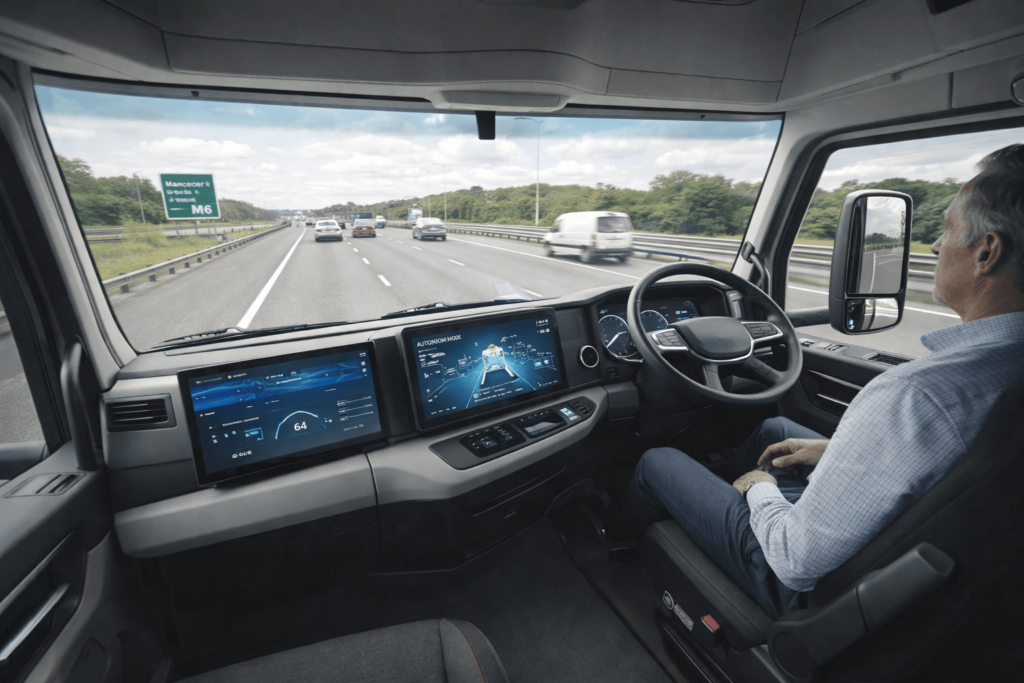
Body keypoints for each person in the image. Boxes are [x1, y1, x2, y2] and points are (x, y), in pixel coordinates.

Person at [626, 144, 1024, 619]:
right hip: (915, 552)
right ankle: (705, 512)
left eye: (946, 230)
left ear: (987, 251)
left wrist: (756, 488)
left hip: (814, 590)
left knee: (657, 460)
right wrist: (833, 451)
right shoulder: (998, 372)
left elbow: (795, 562)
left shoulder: (918, 395)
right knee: (775, 433)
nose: (936, 247)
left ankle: (624, 551)